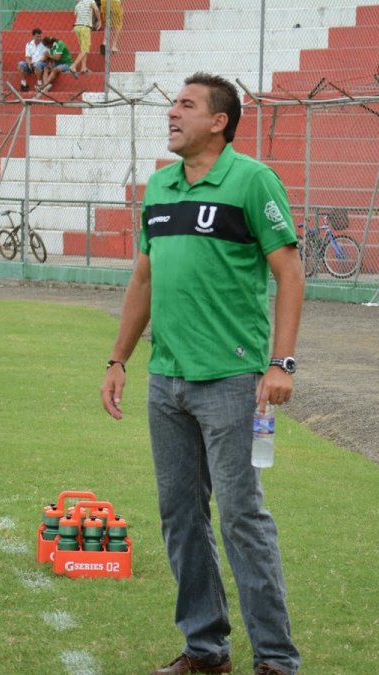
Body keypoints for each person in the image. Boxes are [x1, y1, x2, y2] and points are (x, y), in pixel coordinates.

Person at [100, 72, 304, 675]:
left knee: (243, 516)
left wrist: (280, 363)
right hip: (167, 382)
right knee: (181, 517)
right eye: (172, 105)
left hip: (233, 382)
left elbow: (290, 274)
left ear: (219, 121)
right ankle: (205, 649)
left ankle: (275, 659)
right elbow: (144, 278)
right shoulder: (159, 187)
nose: (172, 113)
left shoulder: (252, 180)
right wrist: (118, 360)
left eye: (186, 105)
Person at [72, 0, 99, 75]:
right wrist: (99, 21)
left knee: (83, 48)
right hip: (85, 27)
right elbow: (96, 9)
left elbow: (76, 14)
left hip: (77, 27)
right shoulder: (91, 1)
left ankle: (83, 67)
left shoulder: (78, 4)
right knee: (85, 48)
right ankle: (73, 66)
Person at [19, 27, 49, 93]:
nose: (39, 38)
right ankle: (24, 84)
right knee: (20, 64)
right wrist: (29, 63)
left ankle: (39, 84)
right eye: (37, 36)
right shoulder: (29, 44)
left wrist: (38, 62)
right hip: (32, 63)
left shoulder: (45, 44)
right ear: (33, 36)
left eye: (40, 36)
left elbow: (46, 56)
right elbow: (27, 57)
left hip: (41, 63)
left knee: (37, 64)